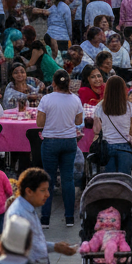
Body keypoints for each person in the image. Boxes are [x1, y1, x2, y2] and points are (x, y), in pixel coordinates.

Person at [35, 70, 84, 228]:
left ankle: (45, 219)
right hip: (69, 141)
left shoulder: (46, 99)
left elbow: (39, 123)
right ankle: (69, 217)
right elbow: (79, 121)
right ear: (68, 83)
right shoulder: (75, 99)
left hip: (51, 141)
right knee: (67, 179)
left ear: (53, 83)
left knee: (48, 179)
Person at [4, 168, 76, 264]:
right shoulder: (18, 214)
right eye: (43, 190)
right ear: (29, 191)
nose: (47, 194)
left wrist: (56, 247)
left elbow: (35, 242)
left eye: (47, 190)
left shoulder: (28, 208)